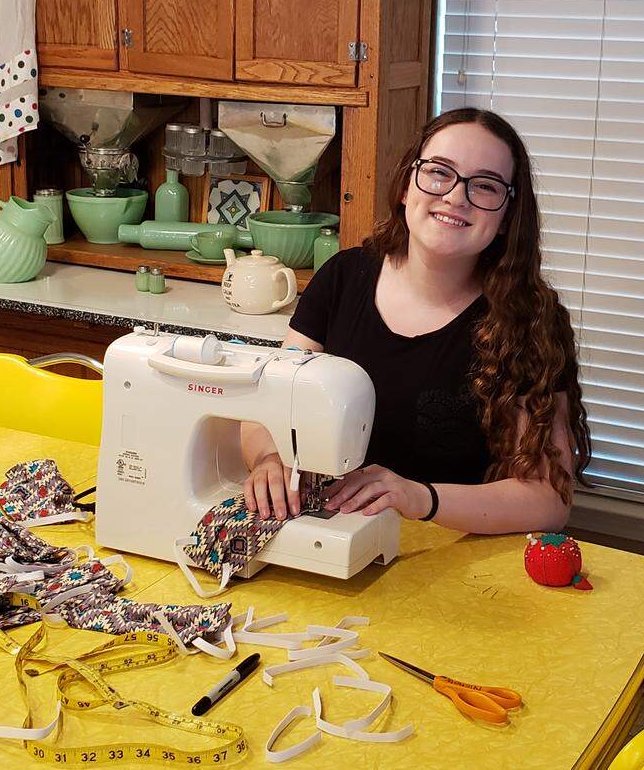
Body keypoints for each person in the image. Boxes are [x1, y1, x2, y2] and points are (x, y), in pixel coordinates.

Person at [240, 108, 591, 534]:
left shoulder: (531, 319)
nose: (456, 197)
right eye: (440, 173)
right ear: (408, 184)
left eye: (485, 186)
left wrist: (417, 497)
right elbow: (266, 408)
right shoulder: (343, 277)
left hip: (452, 557)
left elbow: (549, 498)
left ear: (506, 218)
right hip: (330, 534)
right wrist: (268, 460)